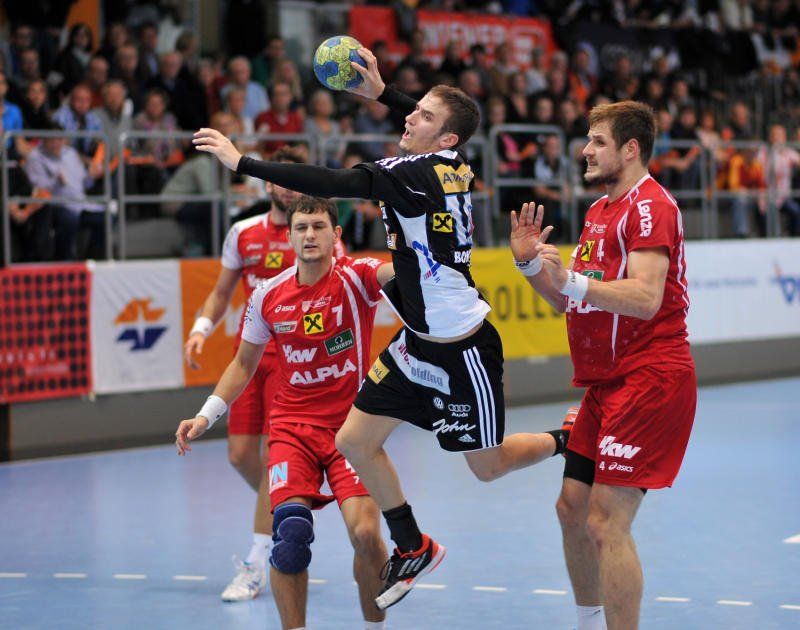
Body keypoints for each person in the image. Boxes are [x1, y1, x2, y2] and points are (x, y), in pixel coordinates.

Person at [192, 46, 571, 611]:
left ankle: (567, 440)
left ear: (444, 137)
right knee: (353, 440)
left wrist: (242, 162)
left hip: (463, 347)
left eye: (421, 115)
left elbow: (328, 179)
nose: (408, 117)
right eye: (412, 109)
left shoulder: (412, 174)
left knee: (486, 467)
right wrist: (384, 94)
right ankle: (414, 544)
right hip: (416, 342)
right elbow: (438, 124)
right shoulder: (455, 161)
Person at [510, 100, 696, 630]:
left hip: (650, 377)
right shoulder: (598, 211)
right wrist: (530, 267)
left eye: (598, 141)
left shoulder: (651, 206)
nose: (585, 151)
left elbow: (645, 298)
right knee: (571, 509)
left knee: (606, 521)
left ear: (630, 149)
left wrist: (569, 279)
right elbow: (571, 301)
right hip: (605, 383)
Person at [176, 196, 390, 630]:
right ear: (289, 236)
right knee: (290, 536)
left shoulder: (357, 276)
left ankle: (375, 626)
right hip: (293, 429)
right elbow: (243, 364)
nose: (309, 235)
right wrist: (205, 415)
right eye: (301, 228)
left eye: (318, 226)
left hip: (351, 429)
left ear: (336, 235)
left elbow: (396, 272)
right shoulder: (268, 295)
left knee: (367, 534)